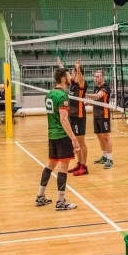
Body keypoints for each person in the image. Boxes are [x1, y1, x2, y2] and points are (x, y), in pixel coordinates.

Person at [36, 67, 80, 210]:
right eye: (68, 75)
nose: (70, 78)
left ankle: (40, 196)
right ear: (63, 78)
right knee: (63, 166)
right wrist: (73, 138)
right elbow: (64, 119)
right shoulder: (62, 96)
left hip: (52, 135)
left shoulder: (49, 94)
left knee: (51, 164)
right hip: (62, 135)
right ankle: (61, 201)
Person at [60, 58, 88, 176]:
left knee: (81, 142)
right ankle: (79, 163)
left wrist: (77, 67)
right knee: (75, 142)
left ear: (77, 73)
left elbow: (80, 77)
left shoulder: (81, 83)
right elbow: (65, 72)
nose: (71, 74)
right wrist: (60, 64)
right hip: (73, 115)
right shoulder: (72, 84)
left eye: (73, 72)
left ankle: (84, 166)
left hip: (80, 116)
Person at [87, 69, 113, 169]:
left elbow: (98, 96)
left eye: (98, 76)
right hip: (96, 115)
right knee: (99, 137)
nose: (96, 78)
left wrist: (85, 95)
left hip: (104, 115)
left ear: (103, 77)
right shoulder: (96, 88)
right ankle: (104, 156)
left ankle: (110, 159)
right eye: (95, 76)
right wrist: (87, 103)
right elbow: (95, 101)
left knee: (106, 137)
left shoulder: (105, 87)